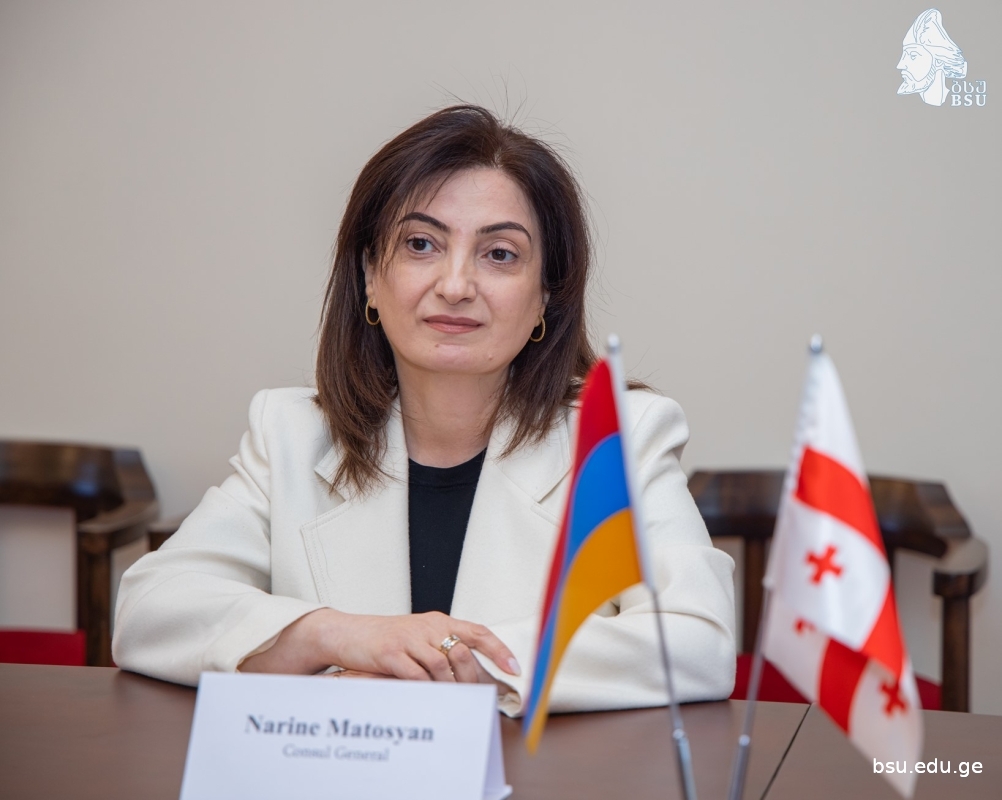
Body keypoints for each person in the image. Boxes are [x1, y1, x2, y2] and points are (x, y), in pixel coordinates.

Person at [112, 105, 736, 716]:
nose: (455, 285)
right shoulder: (292, 434)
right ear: (370, 276)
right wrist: (337, 635)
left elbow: (698, 640)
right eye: (421, 244)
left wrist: (464, 665)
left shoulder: (618, 438)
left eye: (500, 254)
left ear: (547, 295)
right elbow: (148, 610)